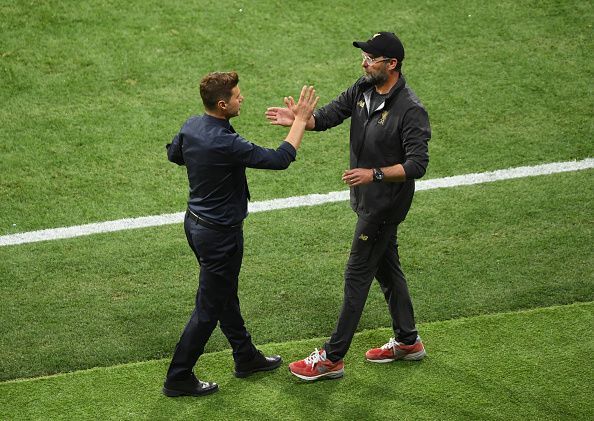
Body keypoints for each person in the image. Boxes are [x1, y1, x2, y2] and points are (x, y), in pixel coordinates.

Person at [266, 32, 431, 381]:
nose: (364, 62)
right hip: (367, 200)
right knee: (387, 269)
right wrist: (300, 120)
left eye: (370, 58)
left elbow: (417, 165)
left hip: (384, 206)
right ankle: (408, 340)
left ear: (392, 64)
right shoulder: (363, 89)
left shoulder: (410, 109)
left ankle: (332, 357)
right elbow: (326, 117)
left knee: (357, 275)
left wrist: (374, 174)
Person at [164, 71, 318, 396]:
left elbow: (174, 153)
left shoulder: (193, 125)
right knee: (208, 308)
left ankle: (245, 356)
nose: (241, 98)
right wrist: (300, 121)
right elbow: (280, 159)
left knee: (224, 294)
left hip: (195, 224)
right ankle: (178, 376)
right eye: (237, 96)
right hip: (220, 235)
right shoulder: (225, 142)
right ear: (222, 104)